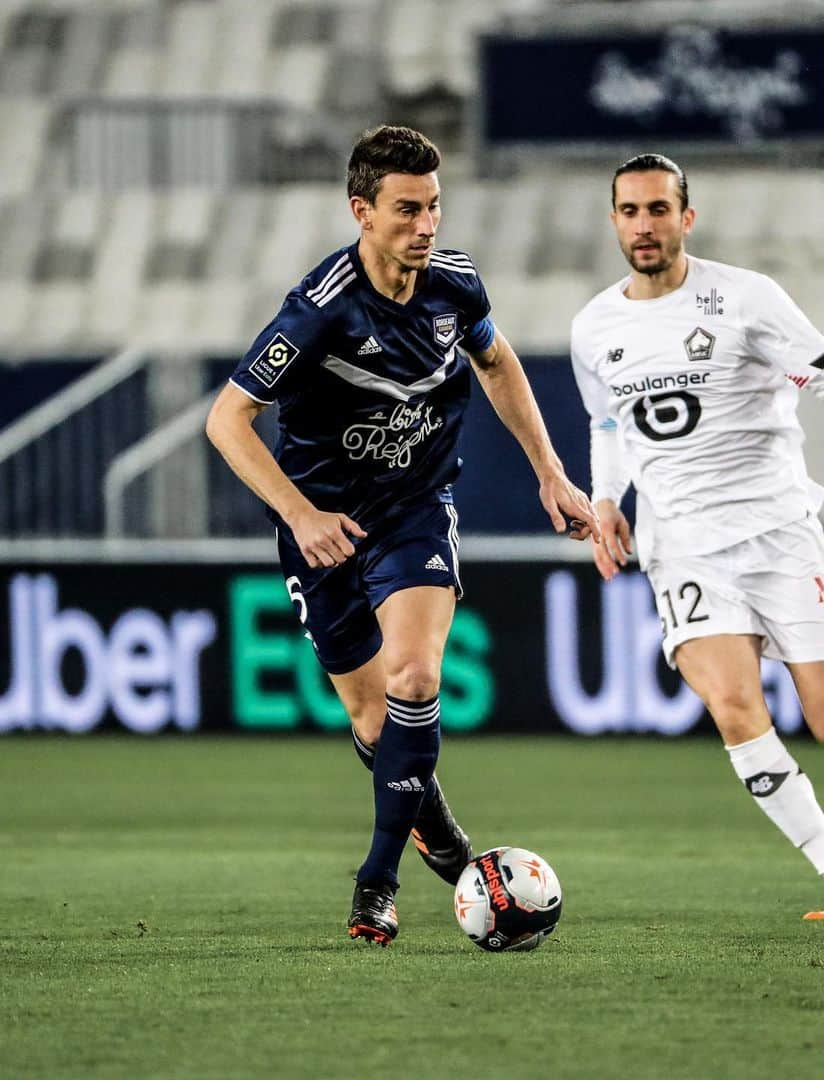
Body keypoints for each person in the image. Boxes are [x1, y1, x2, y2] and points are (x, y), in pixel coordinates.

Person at [206, 125, 598, 946]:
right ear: (362, 211)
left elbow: (496, 362)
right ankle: (440, 831)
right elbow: (228, 419)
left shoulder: (456, 285)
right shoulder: (319, 309)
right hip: (322, 530)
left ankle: (375, 882)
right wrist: (300, 514)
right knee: (376, 723)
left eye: (435, 207)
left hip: (414, 510)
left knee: (415, 676)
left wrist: (551, 473)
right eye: (408, 209)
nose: (427, 225)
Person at [570, 154, 824, 920]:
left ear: (687, 217)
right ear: (614, 220)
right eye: (629, 211)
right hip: (681, 546)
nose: (644, 225)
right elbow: (608, 421)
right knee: (732, 705)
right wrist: (607, 499)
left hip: (778, 532)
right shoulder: (594, 327)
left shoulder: (746, 298)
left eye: (659, 209)